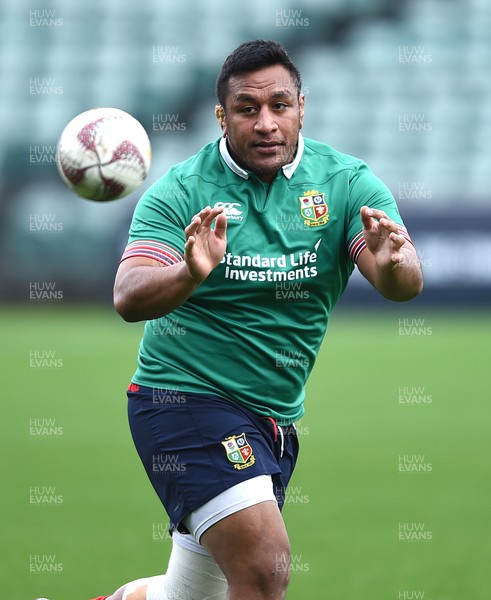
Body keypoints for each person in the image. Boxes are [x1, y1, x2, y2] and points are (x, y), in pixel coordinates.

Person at [92, 39, 423, 600]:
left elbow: (401, 283)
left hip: (272, 419)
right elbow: (128, 295)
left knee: (193, 593)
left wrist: (393, 264)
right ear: (222, 116)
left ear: (301, 106)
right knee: (266, 569)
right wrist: (187, 274)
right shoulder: (182, 190)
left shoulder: (345, 183)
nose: (266, 123)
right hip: (182, 401)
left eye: (280, 105)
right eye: (248, 109)